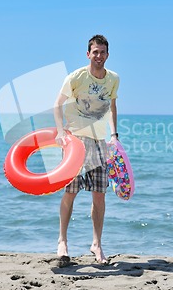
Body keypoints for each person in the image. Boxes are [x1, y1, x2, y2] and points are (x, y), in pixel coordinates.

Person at [53, 35, 120, 266]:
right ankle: (62, 241)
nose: (99, 56)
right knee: (70, 192)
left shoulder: (113, 79)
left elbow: (112, 106)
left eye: (102, 52)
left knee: (99, 195)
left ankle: (97, 244)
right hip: (75, 143)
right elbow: (57, 104)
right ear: (88, 54)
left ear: (107, 55)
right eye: (95, 52)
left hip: (99, 142)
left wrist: (114, 136)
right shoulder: (76, 77)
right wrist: (61, 132)